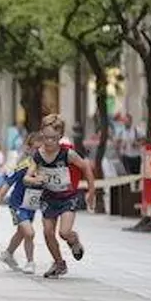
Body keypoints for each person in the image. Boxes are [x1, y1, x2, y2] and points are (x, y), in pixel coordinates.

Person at [25, 114, 95, 278]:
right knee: (48, 232)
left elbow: (86, 167)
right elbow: (26, 177)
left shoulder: (68, 154)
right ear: (42, 134)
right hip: (48, 197)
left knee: (64, 232)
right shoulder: (38, 155)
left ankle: (74, 240)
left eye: (54, 138)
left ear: (60, 136)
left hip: (67, 197)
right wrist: (35, 179)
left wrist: (91, 191)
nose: (49, 142)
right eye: (46, 137)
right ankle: (59, 263)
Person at [0, 132, 43, 275]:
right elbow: (5, 187)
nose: (39, 152)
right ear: (29, 149)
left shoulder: (45, 165)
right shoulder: (24, 166)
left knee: (21, 233)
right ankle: (30, 262)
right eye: (36, 149)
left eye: (41, 148)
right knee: (29, 233)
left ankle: (8, 254)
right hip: (18, 204)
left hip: (31, 205)